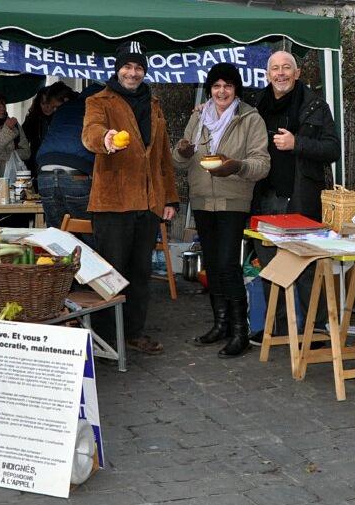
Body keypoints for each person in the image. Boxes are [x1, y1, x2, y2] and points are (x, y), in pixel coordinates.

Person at [81, 41, 179, 355]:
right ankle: (106, 337)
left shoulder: (154, 104)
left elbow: (162, 155)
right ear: (117, 68)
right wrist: (106, 139)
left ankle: (134, 332)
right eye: (127, 66)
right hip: (113, 203)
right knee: (111, 272)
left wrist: (170, 199)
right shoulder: (100, 101)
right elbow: (91, 132)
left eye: (138, 67)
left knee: (140, 274)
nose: (132, 73)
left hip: (148, 204)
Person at [173, 63, 270, 358]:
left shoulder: (251, 119)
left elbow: (262, 164)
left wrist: (236, 166)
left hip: (233, 201)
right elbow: (178, 162)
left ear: (236, 89)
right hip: (202, 199)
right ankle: (221, 324)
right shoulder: (199, 116)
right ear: (209, 89)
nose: (222, 91)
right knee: (213, 264)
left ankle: (240, 330)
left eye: (227, 85)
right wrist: (183, 152)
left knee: (228, 263)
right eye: (216, 86)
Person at [250, 51, 341, 346]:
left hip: (301, 198)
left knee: (303, 265)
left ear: (297, 72)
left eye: (286, 68)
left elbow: (332, 149)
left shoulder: (315, 104)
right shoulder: (255, 104)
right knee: (269, 265)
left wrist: (296, 143)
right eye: (275, 68)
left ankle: (311, 329)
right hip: (263, 197)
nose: (280, 73)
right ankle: (276, 329)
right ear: (267, 74)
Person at [36, 82, 102, 244]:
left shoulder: (64, 109)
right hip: (77, 174)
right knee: (92, 237)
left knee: (58, 238)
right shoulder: (100, 109)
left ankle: (59, 269)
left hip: (45, 173)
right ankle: (93, 268)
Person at [21, 81, 74, 191]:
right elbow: (23, 138)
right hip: (36, 164)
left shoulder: (61, 118)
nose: (47, 107)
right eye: (43, 103)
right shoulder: (32, 119)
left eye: (49, 104)